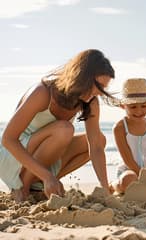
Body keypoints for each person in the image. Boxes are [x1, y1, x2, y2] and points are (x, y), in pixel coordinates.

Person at [0, 49, 116, 202]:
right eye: (98, 86)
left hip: (43, 160)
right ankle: (23, 187)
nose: (99, 93)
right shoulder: (43, 92)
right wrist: (47, 175)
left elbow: (94, 145)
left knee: (99, 140)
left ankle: (42, 184)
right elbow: (8, 140)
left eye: (103, 89)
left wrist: (105, 189)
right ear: (81, 76)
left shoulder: (90, 101)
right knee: (64, 130)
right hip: (14, 158)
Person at [111, 78, 146, 194]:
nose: (139, 111)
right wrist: (143, 176)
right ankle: (113, 186)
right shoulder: (119, 127)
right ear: (123, 106)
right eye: (133, 107)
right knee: (128, 181)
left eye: (143, 106)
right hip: (129, 170)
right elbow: (127, 159)